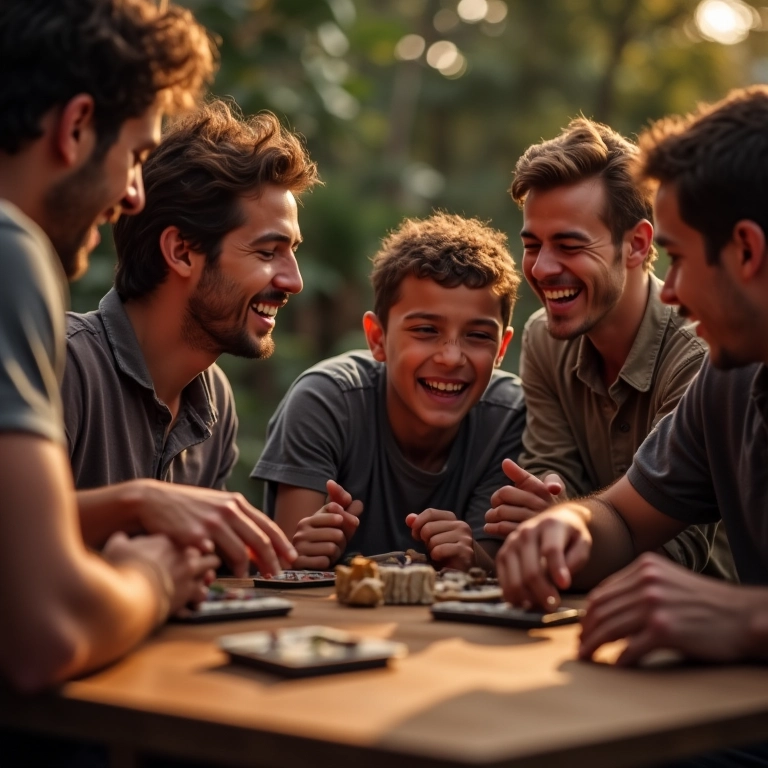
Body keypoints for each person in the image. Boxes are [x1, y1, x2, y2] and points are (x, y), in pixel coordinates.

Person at [495, 86, 768, 669]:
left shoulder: (699, 353)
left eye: (682, 259)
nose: (670, 291)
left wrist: (748, 617)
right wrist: (569, 524)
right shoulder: (727, 382)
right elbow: (622, 515)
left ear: (746, 251)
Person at [0, 0, 219, 692]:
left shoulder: (215, 402)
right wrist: (154, 576)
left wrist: (128, 502)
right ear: (76, 126)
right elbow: (46, 634)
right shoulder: (11, 253)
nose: (133, 195)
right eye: (136, 155)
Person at [63, 99, 318, 578]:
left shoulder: (215, 398)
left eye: (293, 253)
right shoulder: (61, 365)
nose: (294, 281)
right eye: (268, 252)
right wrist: (139, 505)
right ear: (181, 251)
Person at [485, 117, 735, 581]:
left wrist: (561, 524)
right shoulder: (544, 338)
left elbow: (680, 544)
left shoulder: (704, 351)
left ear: (637, 245)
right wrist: (552, 518)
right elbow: (553, 484)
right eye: (532, 245)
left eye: (569, 245)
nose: (541, 268)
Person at [252, 212, 526, 571]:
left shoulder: (508, 418)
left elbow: (492, 572)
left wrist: (471, 558)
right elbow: (285, 565)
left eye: (477, 336)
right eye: (426, 330)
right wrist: (302, 557)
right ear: (377, 338)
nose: (450, 357)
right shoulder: (325, 401)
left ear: (502, 348)